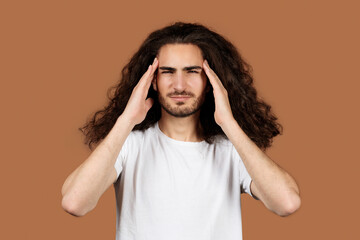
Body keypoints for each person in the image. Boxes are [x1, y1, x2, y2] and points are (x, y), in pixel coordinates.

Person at [61, 22, 301, 240]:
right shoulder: (128, 144)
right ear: (152, 80)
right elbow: (74, 203)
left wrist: (228, 123)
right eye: (167, 72)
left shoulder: (232, 150)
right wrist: (126, 120)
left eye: (192, 71)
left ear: (209, 81)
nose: (179, 85)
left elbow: (287, 203)